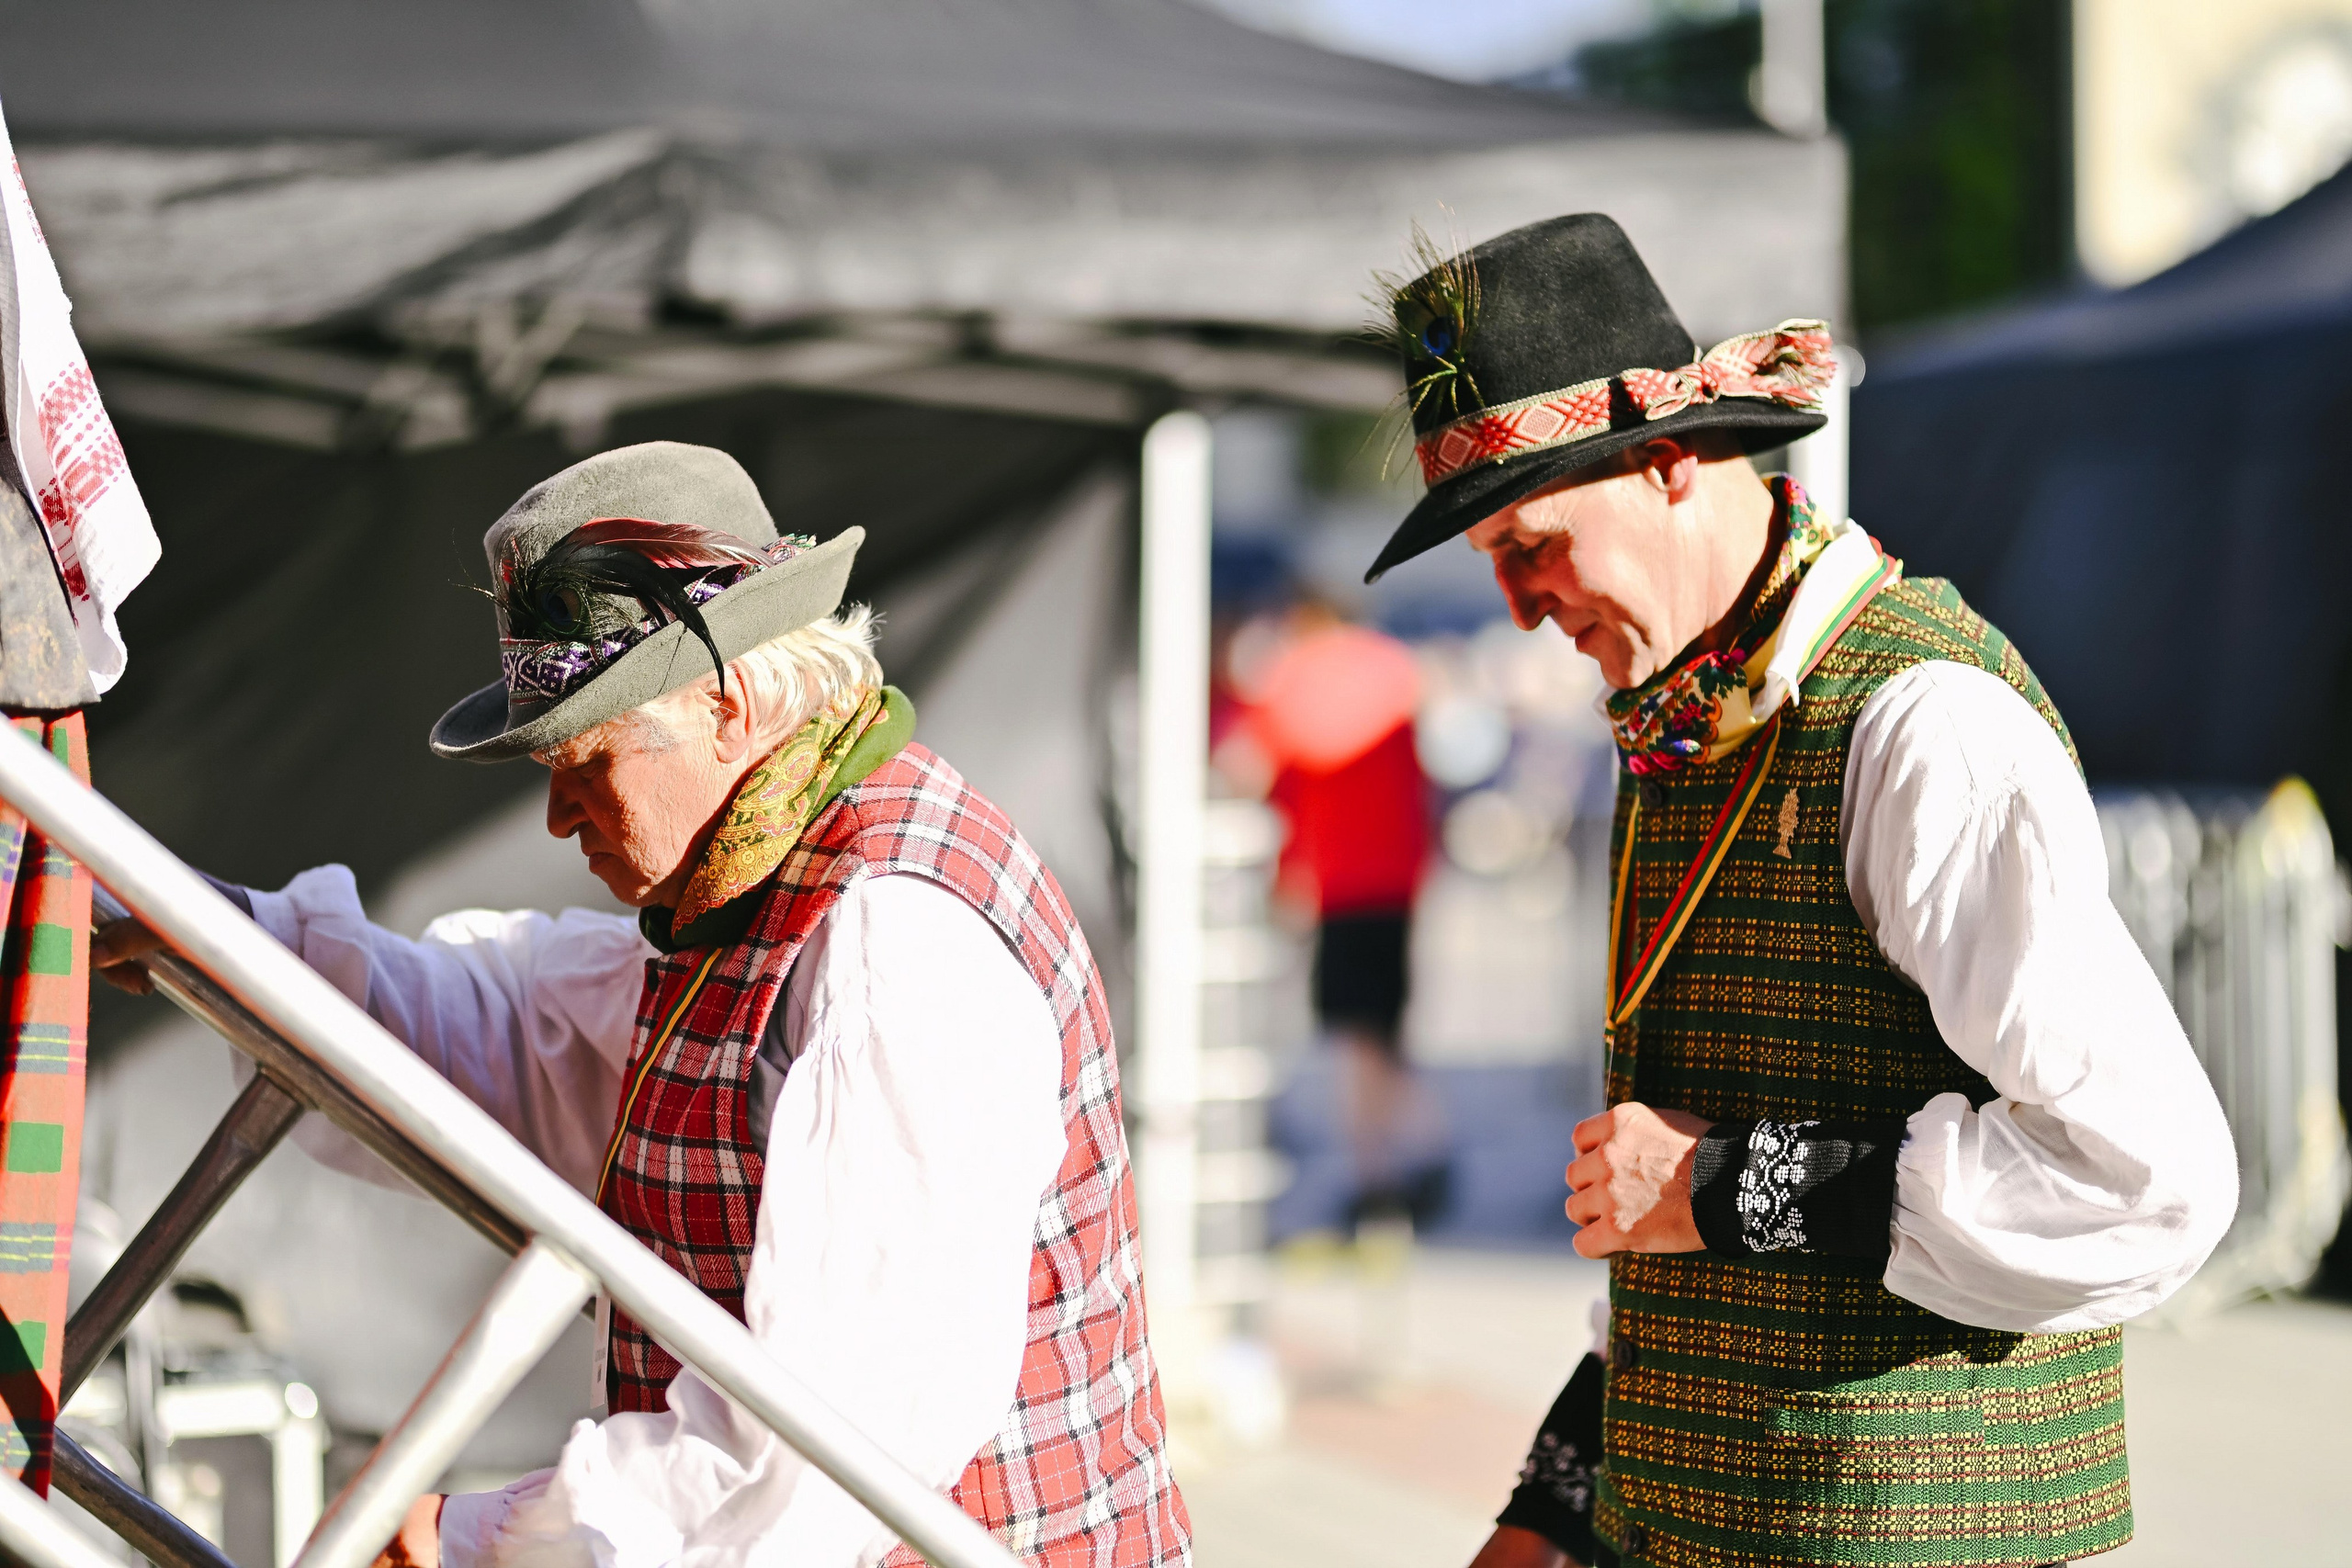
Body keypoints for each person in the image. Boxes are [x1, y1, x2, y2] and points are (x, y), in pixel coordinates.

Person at [97, 443, 1190, 1568]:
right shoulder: (763, 880)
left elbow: (820, 1453)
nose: (562, 816)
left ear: (726, 708)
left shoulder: (892, 945)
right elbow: (528, 1033)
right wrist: (234, 939)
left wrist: (482, 1543)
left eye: (591, 760)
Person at [1359, 216, 2235, 1568]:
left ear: (1664, 463)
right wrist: (1549, 1509)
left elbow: (2145, 1180)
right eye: (1493, 565)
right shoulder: (1682, 718)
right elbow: (1664, 1219)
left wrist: (1721, 1184)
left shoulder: (1922, 723)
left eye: (1531, 541)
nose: (1524, 605)